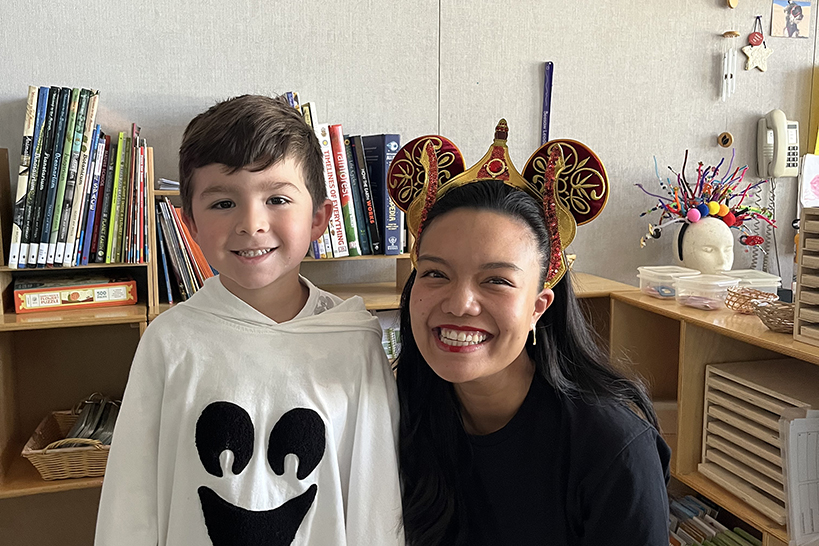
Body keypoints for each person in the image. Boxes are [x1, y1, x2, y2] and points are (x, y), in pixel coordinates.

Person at [95, 95, 403, 546]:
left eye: (277, 198)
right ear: (191, 224)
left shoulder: (353, 340)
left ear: (319, 218)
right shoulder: (171, 341)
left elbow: (376, 498)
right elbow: (132, 496)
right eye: (223, 203)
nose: (251, 223)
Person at [387, 123, 671, 545]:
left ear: (539, 307)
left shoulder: (613, 448)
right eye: (435, 273)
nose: (460, 304)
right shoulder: (398, 410)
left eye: (496, 280)